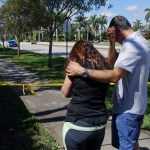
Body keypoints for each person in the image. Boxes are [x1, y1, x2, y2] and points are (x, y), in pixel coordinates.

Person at [66, 16, 150, 150]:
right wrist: (112, 43)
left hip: (127, 109)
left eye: (111, 34)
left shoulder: (131, 47)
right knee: (131, 142)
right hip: (134, 106)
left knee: (126, 146)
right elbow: (113, 64)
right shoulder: (138, 41)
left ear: (116, 30)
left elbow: (114, 76)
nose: (111, 36)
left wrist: (82, 71)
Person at [61, 39, 111, 150]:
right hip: (100, 124)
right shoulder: (103, 66)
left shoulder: (74, 66)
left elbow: (65, 92)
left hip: (78, 124)